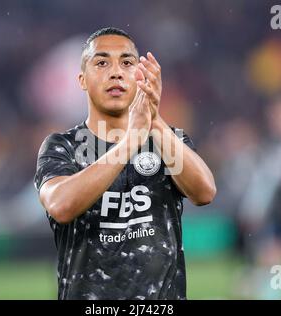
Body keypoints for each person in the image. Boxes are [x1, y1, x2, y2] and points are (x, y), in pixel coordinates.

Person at [34, 27, 216, 300]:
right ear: (82, 80)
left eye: (127, 63)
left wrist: (154, 121)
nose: (116, 72)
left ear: (139, 76)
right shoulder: (62, 146)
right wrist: (129, 142)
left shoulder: (169, 141)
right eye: (102, 62)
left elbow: (205, 193)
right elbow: (61, 206)